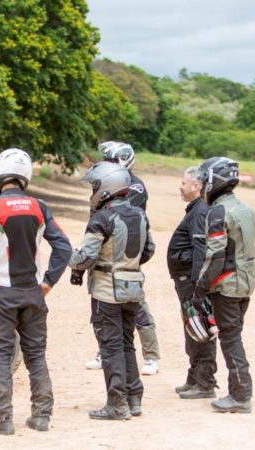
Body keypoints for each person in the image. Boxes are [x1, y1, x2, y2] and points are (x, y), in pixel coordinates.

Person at [0, 148, 72, 435]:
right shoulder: (39, 207)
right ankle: (41, 416)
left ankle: (2, 420)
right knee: (36, 355)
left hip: (1, 293)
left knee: (0, 356)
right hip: (33, 292)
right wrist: (48, 281)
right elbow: (64, 247)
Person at [69, 162, 155, 420]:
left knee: (111, 346)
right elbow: (148, 250)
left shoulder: (101, 219)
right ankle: (133, 398)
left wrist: (71, 259)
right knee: (128, 343)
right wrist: (128, 266)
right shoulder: (140, 215)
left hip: (106, 291)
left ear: (107, 187)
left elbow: (86, 256)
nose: (93, 190)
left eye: (95, 185)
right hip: (133, 288)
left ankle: (117, 404)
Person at [84, 141, 160, 376]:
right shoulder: (105, 182)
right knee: (101, 306)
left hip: (124, 255)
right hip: (102, 251)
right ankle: (103, 350)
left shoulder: (133, 187)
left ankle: (151, 356)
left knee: (137, 306)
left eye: (111, 160)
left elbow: (121, 220)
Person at [193, 156, 255, 413]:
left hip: (227, 286)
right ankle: (239, 392)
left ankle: (240, 395)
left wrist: (201, 287)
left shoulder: (219, 211)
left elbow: (215, 255)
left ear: (213, 181)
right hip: (245, 284)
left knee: (230, 339)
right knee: (234, 336)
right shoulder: (246, 209)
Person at [167, 166, 217, 399]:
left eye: (184, 183)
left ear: (196, 186)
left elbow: (200, 249)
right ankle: (195, 377)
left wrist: (198, 287)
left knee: (198, 328)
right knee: (192, 329)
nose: (181, 186)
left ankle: (204, 382)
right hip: (187, 280)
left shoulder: (198, 212)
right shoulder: (197, 209)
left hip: (191, 282)